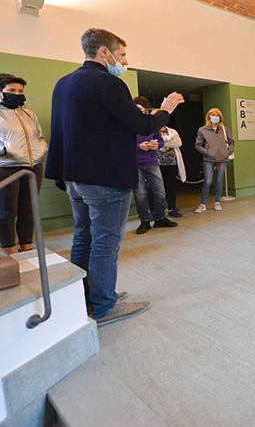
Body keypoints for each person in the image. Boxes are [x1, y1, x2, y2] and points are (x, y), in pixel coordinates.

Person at [46, 28, 184, 326]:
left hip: (73, 176)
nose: (125, 61)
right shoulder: (107, 82)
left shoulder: (64, 83)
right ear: (104, 52)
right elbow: (142, 124)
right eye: (122, 54)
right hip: (104, 177)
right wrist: (165, 110)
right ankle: (105, 306)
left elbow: (61, 130)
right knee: (106, 242)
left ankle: (87, 297)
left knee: (84, 237)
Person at [0, 74, 48, 255]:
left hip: (33, 167)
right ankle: (9, 251)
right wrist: (6, 151)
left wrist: (42, 149)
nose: (17, 94)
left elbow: (40, 137)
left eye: (20, 91)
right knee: (7, 212)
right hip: (6, 167)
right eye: (12, 90)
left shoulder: (29, 114)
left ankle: (27, 248)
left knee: (28, 210)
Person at [132, 97, 177, 234]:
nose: (142, 112)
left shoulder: (151, 124)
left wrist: (157, 145)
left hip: (152, 162)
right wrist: (139, 147)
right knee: (140, 195)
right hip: (136, 164)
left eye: (144, 109)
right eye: (138, 109)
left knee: (159, 191)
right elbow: (123, 144)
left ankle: (160, 218)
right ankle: (144, 221)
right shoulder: (129, 124)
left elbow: (161, 141)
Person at [194, 108, 234, 213]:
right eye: (212, 114)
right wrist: (207, 152)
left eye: (217, 115)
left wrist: (227, 152)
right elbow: (198, 145)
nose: (215, 117)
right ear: (208, 116)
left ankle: (217, 202)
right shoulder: (202, 130)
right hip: (209, 159)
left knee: (219, 180)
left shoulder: (225, 129)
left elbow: (231, 142)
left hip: (222, 159)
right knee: (207, 181)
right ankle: (203, 204)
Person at [158, 124, 186, 218]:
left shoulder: (172, 131)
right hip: (156, 164)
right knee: (156, 189)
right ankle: (156, 211)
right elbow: (152, 143)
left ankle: (172, 209)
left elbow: (178, 143)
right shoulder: (152, 131)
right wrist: (169, 140)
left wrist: (161, 143)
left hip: (171, 163)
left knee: (170, 187)